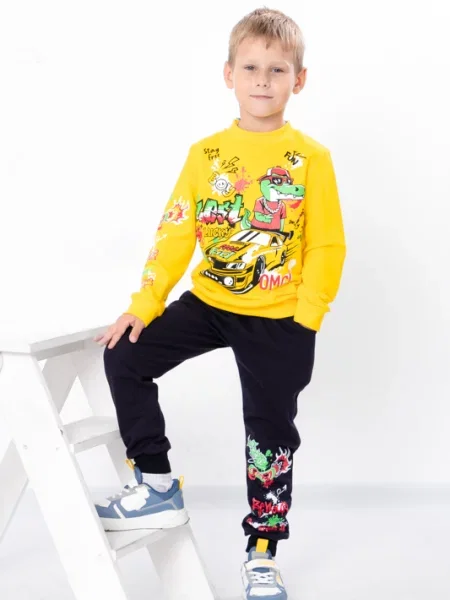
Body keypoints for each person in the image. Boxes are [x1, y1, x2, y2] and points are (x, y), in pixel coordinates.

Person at [94, 7, 346, 599]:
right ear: (228, 74)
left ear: (298, 80)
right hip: (209, 301)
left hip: (280, 318)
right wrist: (145, 302)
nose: (263, 80)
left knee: (270, 436)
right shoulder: (206, 154)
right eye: (251, 68)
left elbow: (327, 244)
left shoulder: (311, 158)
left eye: (277, 69)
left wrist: (306, 317)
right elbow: (177, 231)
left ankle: (262, 552)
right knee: (124, 356)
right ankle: (156, 483)